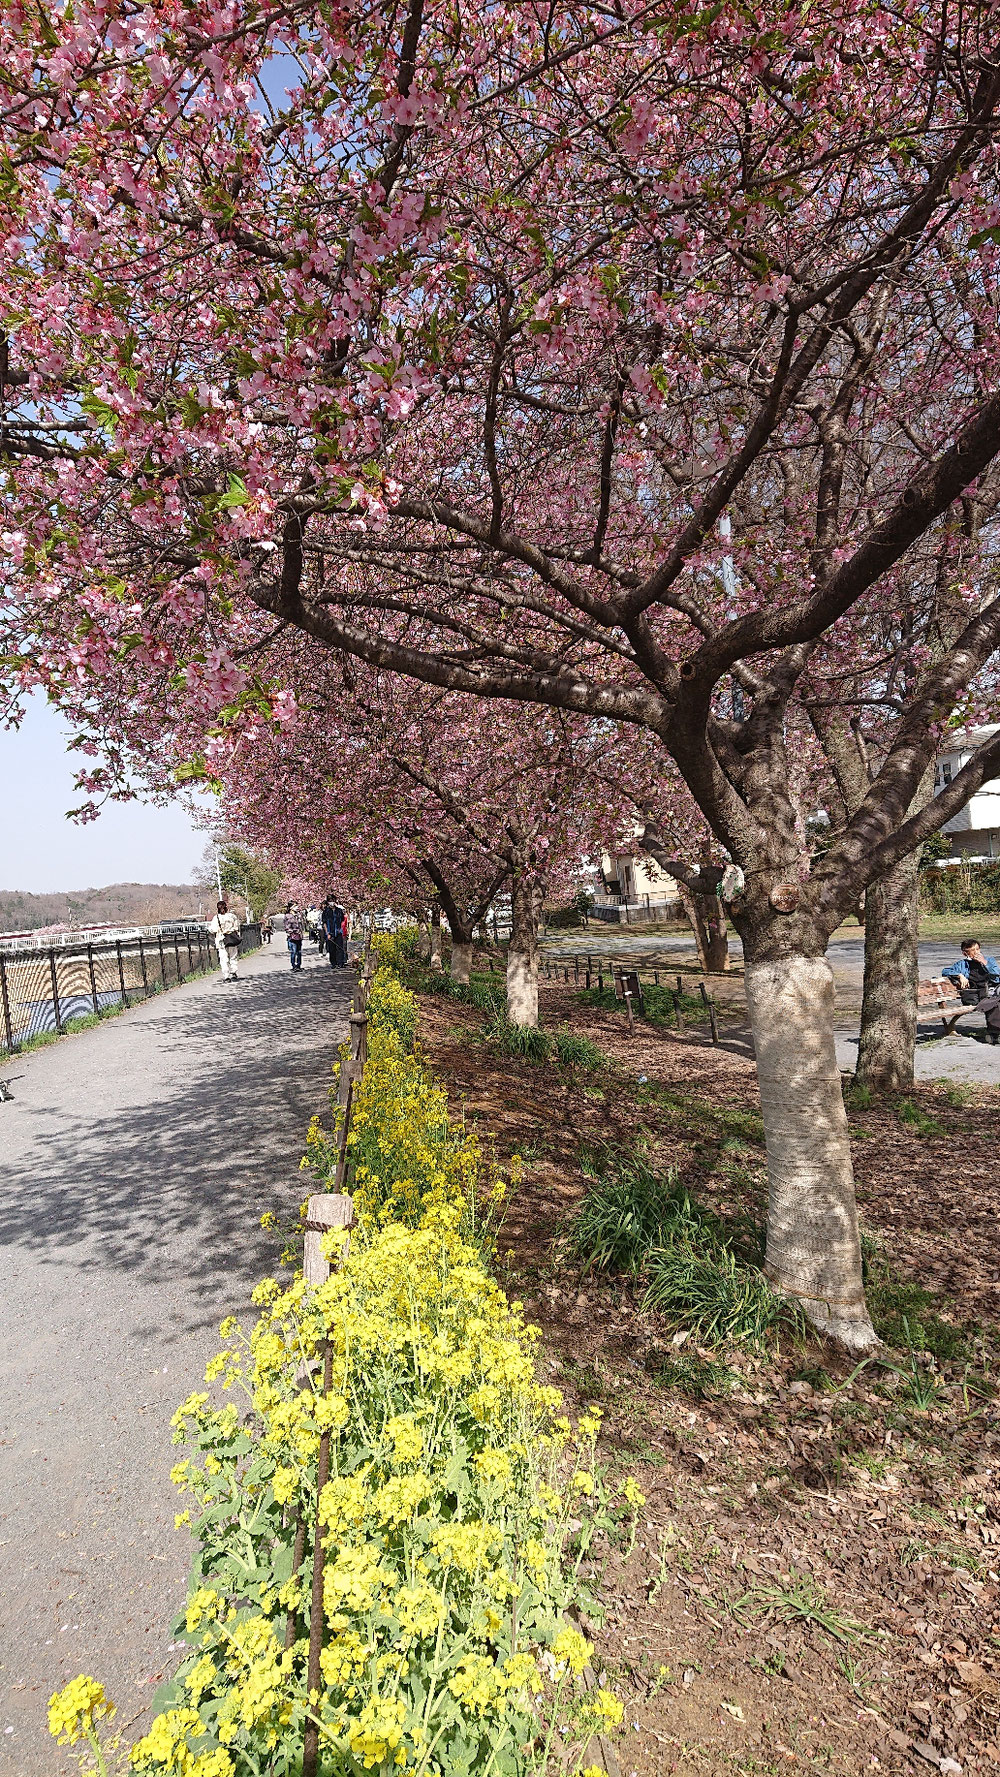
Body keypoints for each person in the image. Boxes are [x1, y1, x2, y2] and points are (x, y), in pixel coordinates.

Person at [944, 938, 1000, 1040]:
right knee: (994, 1004)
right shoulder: (962, 964)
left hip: (990, 991)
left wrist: (985, 963)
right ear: (965, 953)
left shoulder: (989, 960)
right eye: (972, 951)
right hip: (974, 995)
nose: (976, 952)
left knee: (995, 1002)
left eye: (978, 949)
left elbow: (997, 974)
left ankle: (994, 1032)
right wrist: (960, 975)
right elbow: (945, 971)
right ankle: (994, 1033)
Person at [208, 899, 241, 981]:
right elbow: (237, 927)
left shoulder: (216, 918)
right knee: (233, 956)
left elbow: (213, 929)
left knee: (223, 958)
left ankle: (226, 975)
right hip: (232, 938)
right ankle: (234, 971)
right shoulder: (232, 916)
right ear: (226, 907)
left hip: (221, 940)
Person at [323, 895, 348, 967]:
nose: (332, 902)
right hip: (330, 932)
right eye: (330, 901)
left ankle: (341, 963)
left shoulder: (339, 911)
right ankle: (333, 963)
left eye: (333, 900)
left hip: (338, 932)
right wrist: (327, 932)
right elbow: (324, 923)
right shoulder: (326, 911)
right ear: (328, 902)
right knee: (332, 949)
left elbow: (342, 920)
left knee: (340, 948)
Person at [284, 901, 304, 971]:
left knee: (299, 952)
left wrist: (301, 932)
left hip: (299, 936)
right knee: (293, 951)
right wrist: (293, 931)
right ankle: (294, 966)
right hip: (292, 936)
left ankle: (298, 965)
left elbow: (301, 925)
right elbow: (287, 927)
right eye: (295, 906)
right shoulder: (288, 916)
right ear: (291, 907)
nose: (297, 907)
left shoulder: (298, 915)